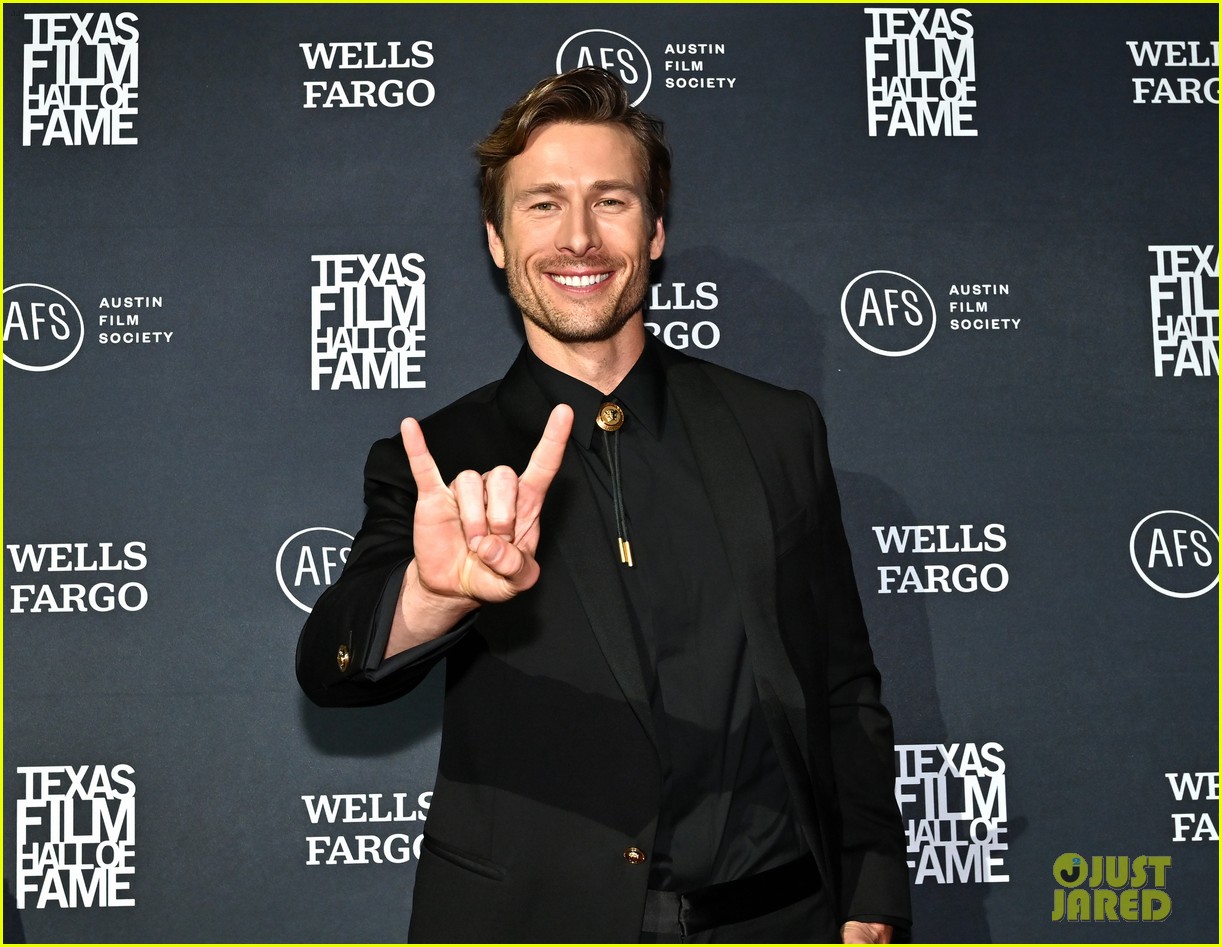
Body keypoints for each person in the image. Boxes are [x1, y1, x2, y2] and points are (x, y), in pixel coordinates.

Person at [297, 67, 911, 944]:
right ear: (497, 240)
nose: (577, 238)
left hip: (780, 918)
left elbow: (843, 684)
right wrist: (438, 595)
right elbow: (330, 661)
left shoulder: (778, 430)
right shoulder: (439, 458)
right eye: (542, 205)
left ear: (656, 231)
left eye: (610, 201)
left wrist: (873, 893)